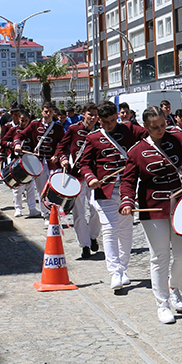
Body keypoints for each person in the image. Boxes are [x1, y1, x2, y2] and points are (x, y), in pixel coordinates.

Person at [119, 106, 182, 324]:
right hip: (153, 207)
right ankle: (162, 304)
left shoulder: (178, 137)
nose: (161, 129)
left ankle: (174, 286)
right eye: (155, 127)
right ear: (145, 126)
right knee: (159, 256)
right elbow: (128, 181)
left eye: (163, 125)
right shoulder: (136, 151)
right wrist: (126, 201)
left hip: (181, 204)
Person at [79, 101, 148, 289]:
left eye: (112, 120)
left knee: (125, 230)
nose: (110, 125)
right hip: (105, 190)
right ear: (99, 120)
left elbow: (150, 137)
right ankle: (114, 272)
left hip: (128, 188)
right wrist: (91, 177)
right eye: (106, 122)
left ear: (117, 116)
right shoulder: (93, 138)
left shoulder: (130, 129)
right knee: (110, 230)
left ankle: (123, 269)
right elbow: (83, 164)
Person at [56, 103, 102, 259]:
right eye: (90, 114)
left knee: (97, 209)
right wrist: (63, 160)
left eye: (95, 115)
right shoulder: (74, 129)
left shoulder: (101, 131)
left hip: (95, 176)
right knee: (79, 213)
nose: (93, 118)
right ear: (83, 114)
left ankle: (93, 235)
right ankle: (85, 245)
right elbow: (61, 147)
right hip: (77, 174)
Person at [15, 102, 65, 222]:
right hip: (38, 162)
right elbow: (20, 136)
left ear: (54, 113)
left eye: (50, 112)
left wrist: (57, 155)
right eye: (46, 111)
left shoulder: (58, 128)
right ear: (42, 112)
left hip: (52, 163)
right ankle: (46, 214)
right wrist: (17, 145)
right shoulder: (34, 125)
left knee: (54, 189)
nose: (48, 114)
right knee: (42, 189)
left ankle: (54, 212)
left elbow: (63, 144)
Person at [2, 111, 40, 218]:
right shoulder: (14, 130)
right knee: (18, 186)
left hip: (29, 161)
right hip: (17, 160)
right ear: (19, 119)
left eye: (26, 121)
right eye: (22, 120)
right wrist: (13, 145)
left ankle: (32, 208)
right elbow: (3, 141)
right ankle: (18, 208)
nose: (24, 123)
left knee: (31, 186)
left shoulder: (32, 131)